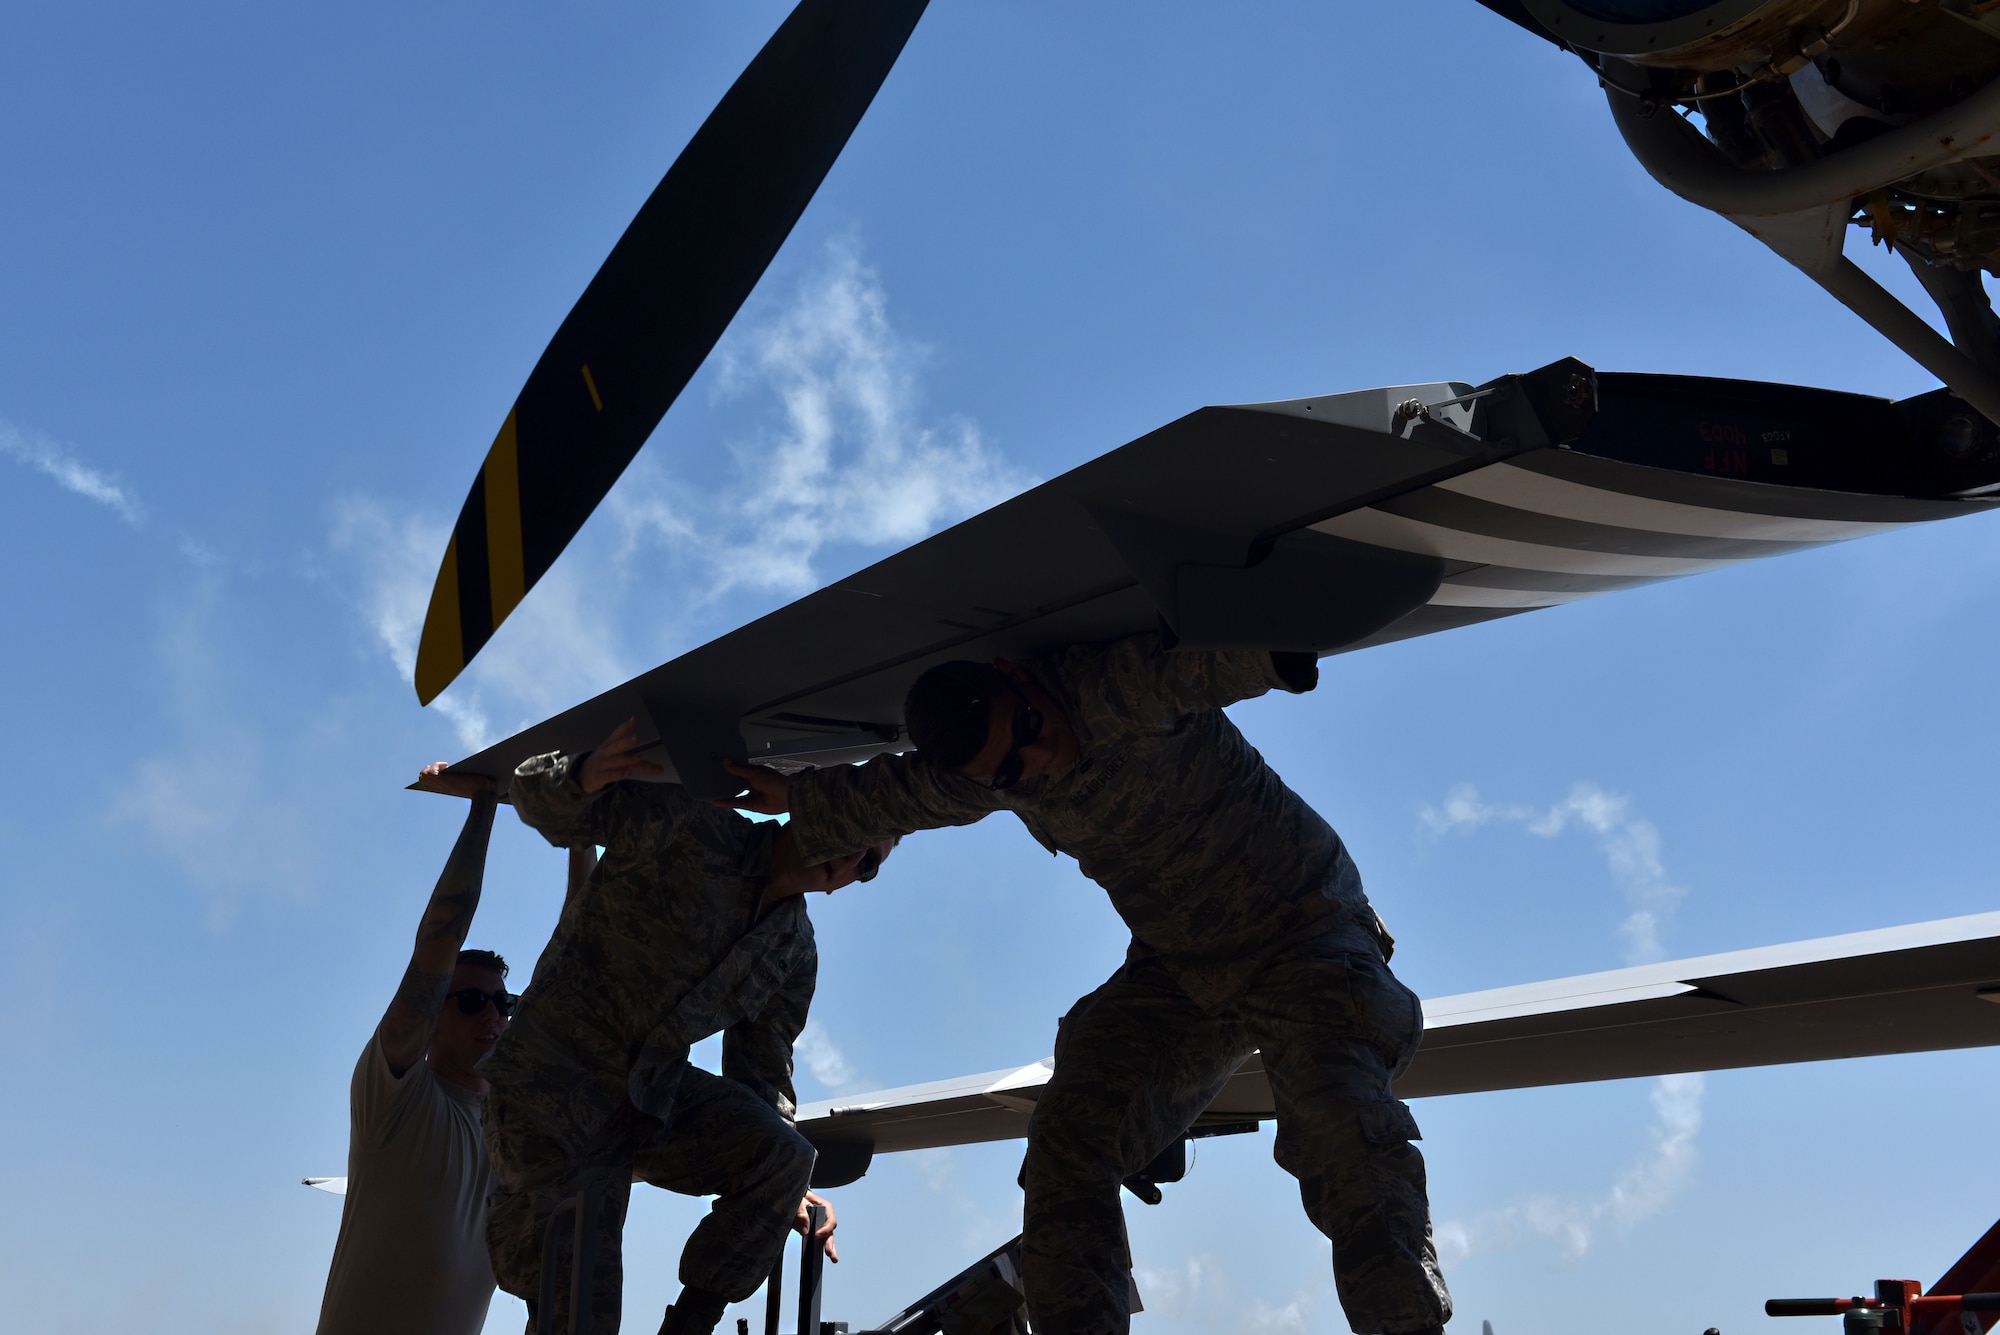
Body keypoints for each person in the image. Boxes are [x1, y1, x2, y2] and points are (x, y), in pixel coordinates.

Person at [723, 636, 1452, 1335]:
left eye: (1029, 729)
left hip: (1306, 934)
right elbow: (893, 792)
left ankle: (1405, 1324)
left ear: (1020, 676)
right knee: (1066, 1143)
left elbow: (1216, 659)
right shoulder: (995, 771)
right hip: (1180, 971)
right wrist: (795, 792)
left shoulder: (1116, 691)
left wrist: (1281, 637)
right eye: (1007, 770)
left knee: (1337, 1117)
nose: (1034, 760)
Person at [485, 719, 893, 1335]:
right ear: (804, 809)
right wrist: (582, 774)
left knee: (786, 1156)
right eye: (851, 829)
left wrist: (785, 1194)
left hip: (645, 1103)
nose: (849, 859)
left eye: (869, 864)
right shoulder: (692, 828)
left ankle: (693, 1324)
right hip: (551, 1088)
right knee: (576, 1302)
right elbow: (544, 806)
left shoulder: (792, 948)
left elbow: (763, 1074)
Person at [316, 763, 513, 1335]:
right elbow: (437, 943)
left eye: (504, 1005)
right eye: (471, 1003)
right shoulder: (398, 1099)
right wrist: (484, 807)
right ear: (432, 1018)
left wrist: (582, 829)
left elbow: (578, 963)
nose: (494, 1019)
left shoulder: (514, 1130)